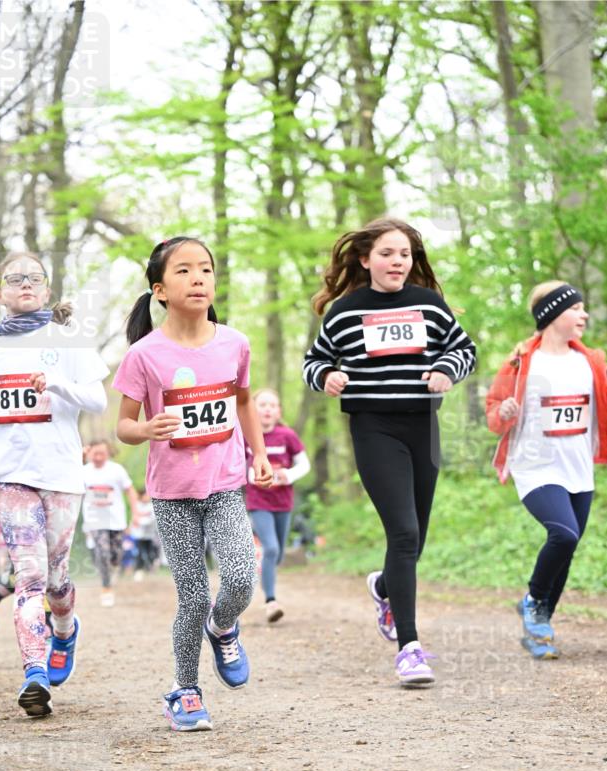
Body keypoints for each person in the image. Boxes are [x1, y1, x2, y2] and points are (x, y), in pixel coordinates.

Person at [303, 217, 477, 687]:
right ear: (365, 260)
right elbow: (314, 361)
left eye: (404, 254)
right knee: (402, 533)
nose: (397, 261)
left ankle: (384, 587)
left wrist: (446, 367)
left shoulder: (429, 306)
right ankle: (410, 649)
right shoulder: (345, 311)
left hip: (422, 425)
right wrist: (327, 377)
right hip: (374, 428)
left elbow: (466, 349)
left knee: (414, 537)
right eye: (386, 253)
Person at [113, 235, 273, 733]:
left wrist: (260, 453)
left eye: (205, 269)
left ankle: (223, 629)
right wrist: (147, 429)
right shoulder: (145, 355)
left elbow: (244, 401)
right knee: (194, 595)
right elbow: (124, 425)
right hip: (172, 494)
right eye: (183, 271)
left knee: (242, 577)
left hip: (224, 482)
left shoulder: (234, 343)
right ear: (160, 290)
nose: (198, 278)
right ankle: (185, 691)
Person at [0, 250, 109, 716]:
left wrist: (57, 385)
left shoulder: (69, 342)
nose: (25, 284)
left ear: (46, 290)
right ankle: (35, 672)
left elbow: (99, 400)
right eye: (15, 278)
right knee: (29, 574)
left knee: (57, 578)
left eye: (34, 278)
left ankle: (65, 632)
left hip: (62, 472)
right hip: (10, 473)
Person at [486, 281, 607, 658]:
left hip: (578, 467)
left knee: (570, 543)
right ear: (551, 314)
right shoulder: (519, 362)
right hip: (535, 466)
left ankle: (539, 625)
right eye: (575, 308)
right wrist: (504, 412)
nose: (584, 315)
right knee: (563, 535)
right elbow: (493, 414)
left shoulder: (592, 360)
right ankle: (534, 601)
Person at [245, 388, 310, 623]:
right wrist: (256, 476)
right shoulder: (247, 435)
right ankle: (271, 601)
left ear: (278, 411)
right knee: (271, 548)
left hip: (283, 502)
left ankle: (265, 568)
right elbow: (239, 465)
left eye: (272, 405)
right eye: (262, 405)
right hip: (258, 501)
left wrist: (288, 476)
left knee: (278, 553)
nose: (267, 409)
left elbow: (304, 464)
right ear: (253, 409)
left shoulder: (287, 435)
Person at [81, 438, 139, 606]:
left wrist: (135, 515)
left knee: (116, 555)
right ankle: (106, 588)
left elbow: (130, 491)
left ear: (108, 453)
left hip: (116, 520)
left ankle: (112, 567)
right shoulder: (84, 471)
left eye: (102, 453)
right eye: (95, 453)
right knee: (102, 552)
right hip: (94, 520)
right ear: (90, 453)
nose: (98, 457)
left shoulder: (116, 470)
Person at [130, 489, 160, 579]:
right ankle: (138, 570)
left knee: (150, 553)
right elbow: (134, 520)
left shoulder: (152, 506)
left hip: (150, 535)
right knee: (138, 553)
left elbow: (152, 520)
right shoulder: (137, 505)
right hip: (139, 535)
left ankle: (150, 570)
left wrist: (141, 521)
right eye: (145, 495)